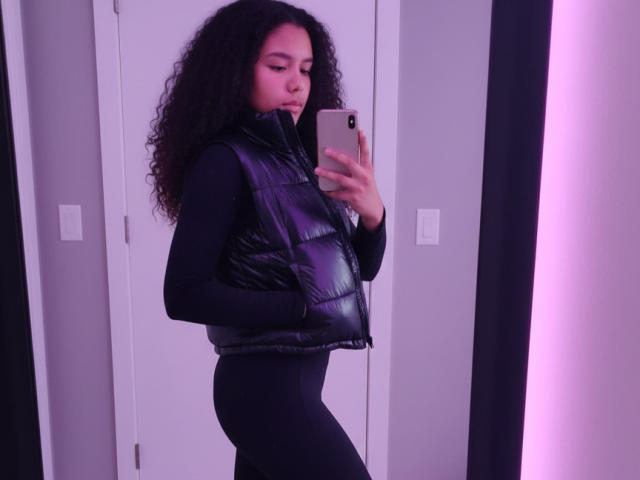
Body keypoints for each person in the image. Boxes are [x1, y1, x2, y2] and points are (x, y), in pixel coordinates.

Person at [147, 1, 386, 478]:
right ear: (237, 71)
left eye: (306, 69)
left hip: (290, 388)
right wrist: (301, 307)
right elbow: (183, 293)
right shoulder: (225, 161)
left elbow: (361, 271)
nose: (296, 83)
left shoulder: (297, 160)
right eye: (278, 67)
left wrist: (372, 214)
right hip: (264, 391)